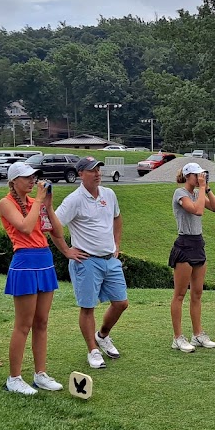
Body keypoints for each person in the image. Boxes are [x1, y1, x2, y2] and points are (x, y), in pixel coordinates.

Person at [52, 156, 128, 370]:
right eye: (92, 170)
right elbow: (53, 226)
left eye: (98, 169)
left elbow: (117, 218)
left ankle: (102, 335)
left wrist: (117, 244)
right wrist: (67, 251)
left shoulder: (109, 194)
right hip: (85, 261)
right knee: (88, 307)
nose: (97, 174)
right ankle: (92, 350)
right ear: (80, 174)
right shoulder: (74, 200)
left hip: (109, 259)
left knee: (121, 303)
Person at [0, 162, 64, 395]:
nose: (32, 180)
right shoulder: (6, 203)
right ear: (14, 181)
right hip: (25, 263)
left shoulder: (34, 203)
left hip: (44, 260)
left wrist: (49, 206)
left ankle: (40, 374)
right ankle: (14, 378)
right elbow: (25, 228)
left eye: (33, 177)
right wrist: (38, 200)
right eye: (26, 177)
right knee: (23, 324)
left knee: (42, 322)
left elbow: (57, 231)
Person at [168, 163, 215, 352]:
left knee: (197, 293)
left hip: (198, 244)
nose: (200, 177)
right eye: (197, 175)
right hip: (184, 245)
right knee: (180, 294)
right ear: (188, 176)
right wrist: (201, 189)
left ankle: (198, 335)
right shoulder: (180, 194)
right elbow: (197, 210)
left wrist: (207, 189)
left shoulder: (198, 192)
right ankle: (177, 338)